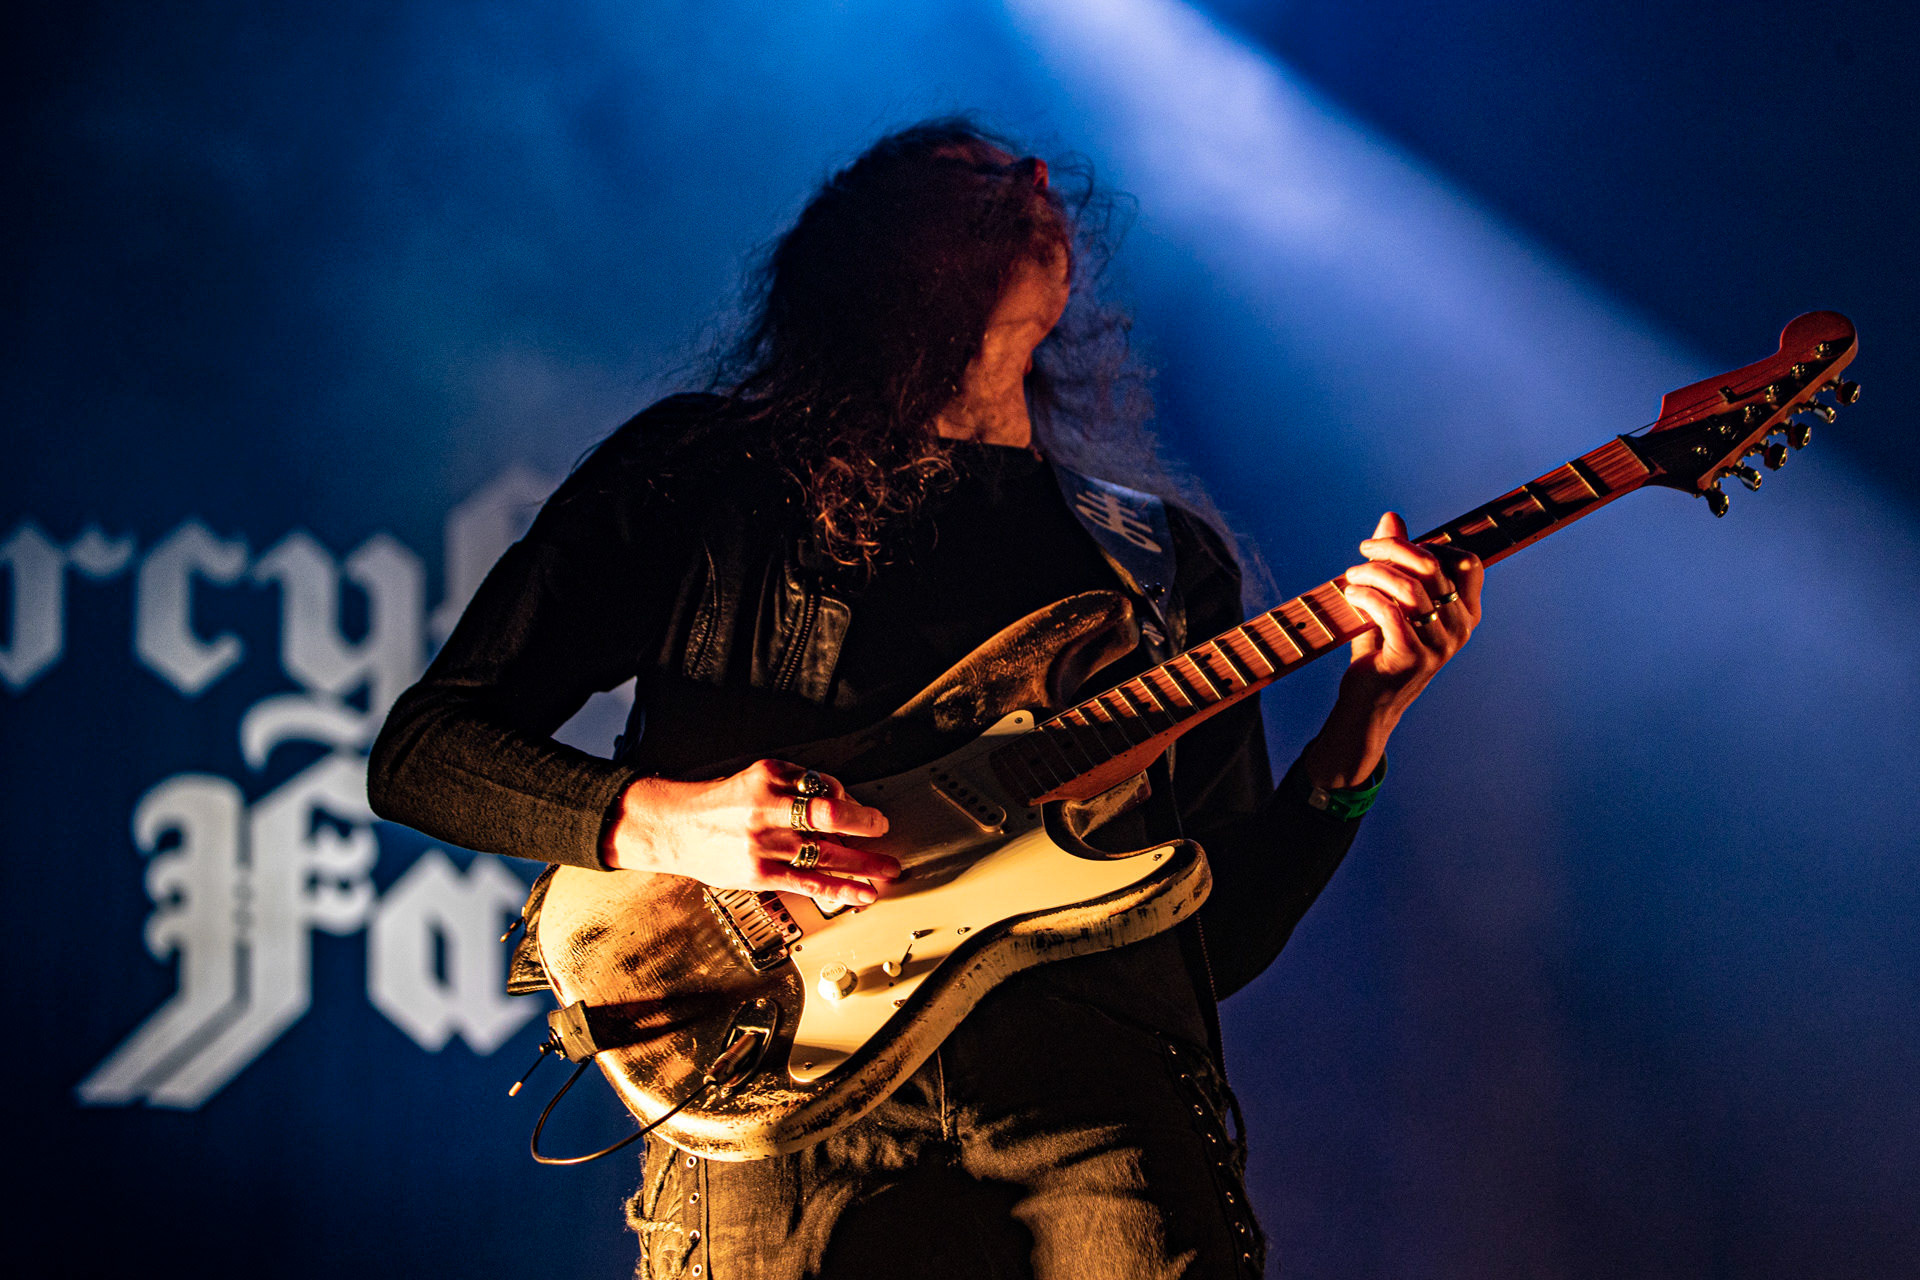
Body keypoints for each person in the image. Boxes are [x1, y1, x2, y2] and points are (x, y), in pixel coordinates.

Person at [368, 118, 1482, 1280]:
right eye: (973, 178)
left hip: (1098, 1100)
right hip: (773, 1100)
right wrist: (677, 820)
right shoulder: (703, 475)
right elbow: (424, 752)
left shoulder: (1158, 559)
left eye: (1027, 173)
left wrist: (1363, 726)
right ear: (871, 250)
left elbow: (1220, 938)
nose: (1034, 181)